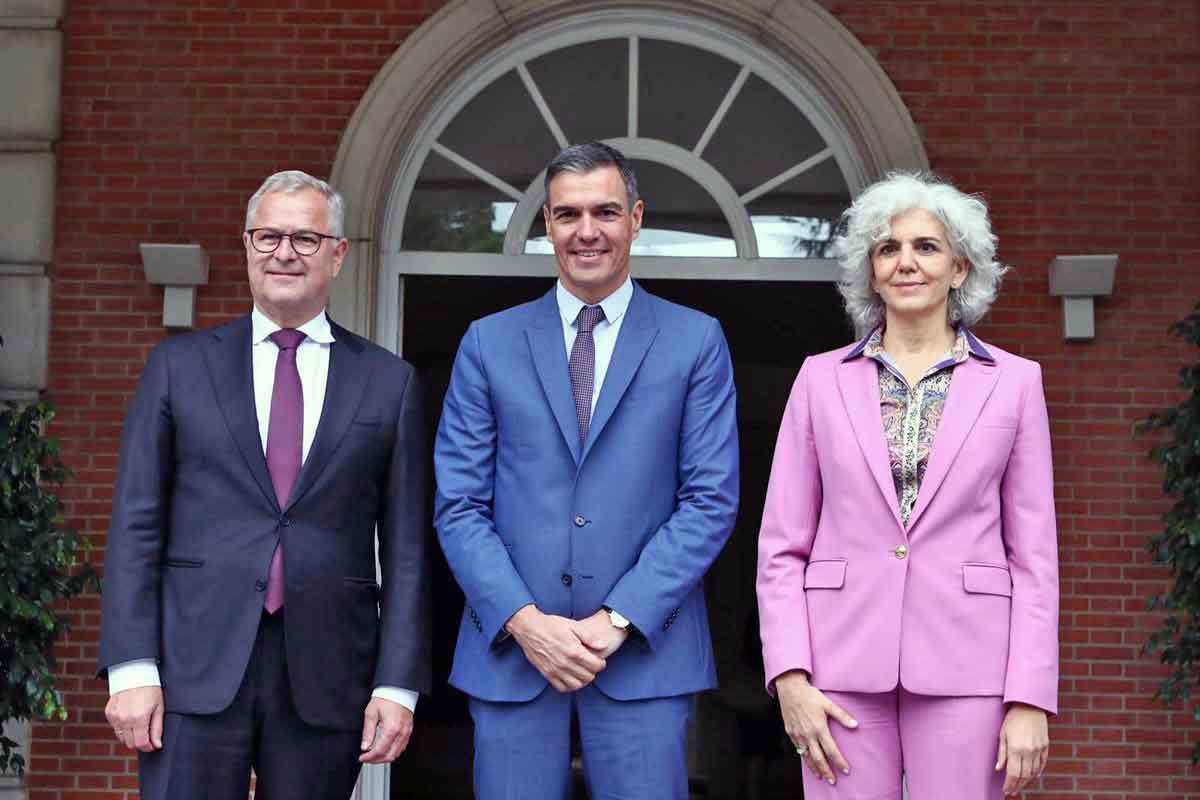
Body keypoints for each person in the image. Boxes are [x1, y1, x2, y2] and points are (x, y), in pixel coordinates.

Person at [98, 170, 432, 799]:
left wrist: (397, 683)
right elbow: (135, 522)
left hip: (328, 669)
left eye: (306, 239)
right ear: (246, 247)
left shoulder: (390, 383)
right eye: (267, 236)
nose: (284, 252)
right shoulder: (178, 367)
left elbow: (409, 548)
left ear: (338, 255)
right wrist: (131, 665)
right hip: (190, 665)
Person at [433, 141, 739, 799]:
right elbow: (458, 504)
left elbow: (710, 500)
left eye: (604, 211)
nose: (587, 231)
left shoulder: (696, 340)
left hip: (644, 655)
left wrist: (618, 619)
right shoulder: (488, 342)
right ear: (547, 224)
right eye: (568, 215)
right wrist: (525, 622)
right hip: (514, 654)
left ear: (636, 217)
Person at [756, 171, 1059, 798]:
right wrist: (789, 675)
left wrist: (1029, 697)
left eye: (926, 247)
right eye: (887, 249)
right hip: (838, 668)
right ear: (870, 272)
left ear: (960, 268)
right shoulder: (819, 381)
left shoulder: (1016, 383)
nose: (906, 262)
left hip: (970, 667)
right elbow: (781, 546)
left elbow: (1034, 558)